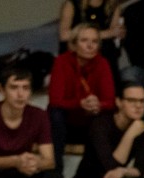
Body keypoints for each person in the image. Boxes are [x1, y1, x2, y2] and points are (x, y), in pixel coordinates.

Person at [47, 22, 115, 159]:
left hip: (90, 120)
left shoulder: (102, 63)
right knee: (56, 114)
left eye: (94, 41)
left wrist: (98, 105)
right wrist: (80, 103)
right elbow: (55, 100)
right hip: (67, 121)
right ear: (73, 44)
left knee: (106, 118)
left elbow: (110, 101)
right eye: (84, 40)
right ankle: (54, 170)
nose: (90, 45)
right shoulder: (62, 61)